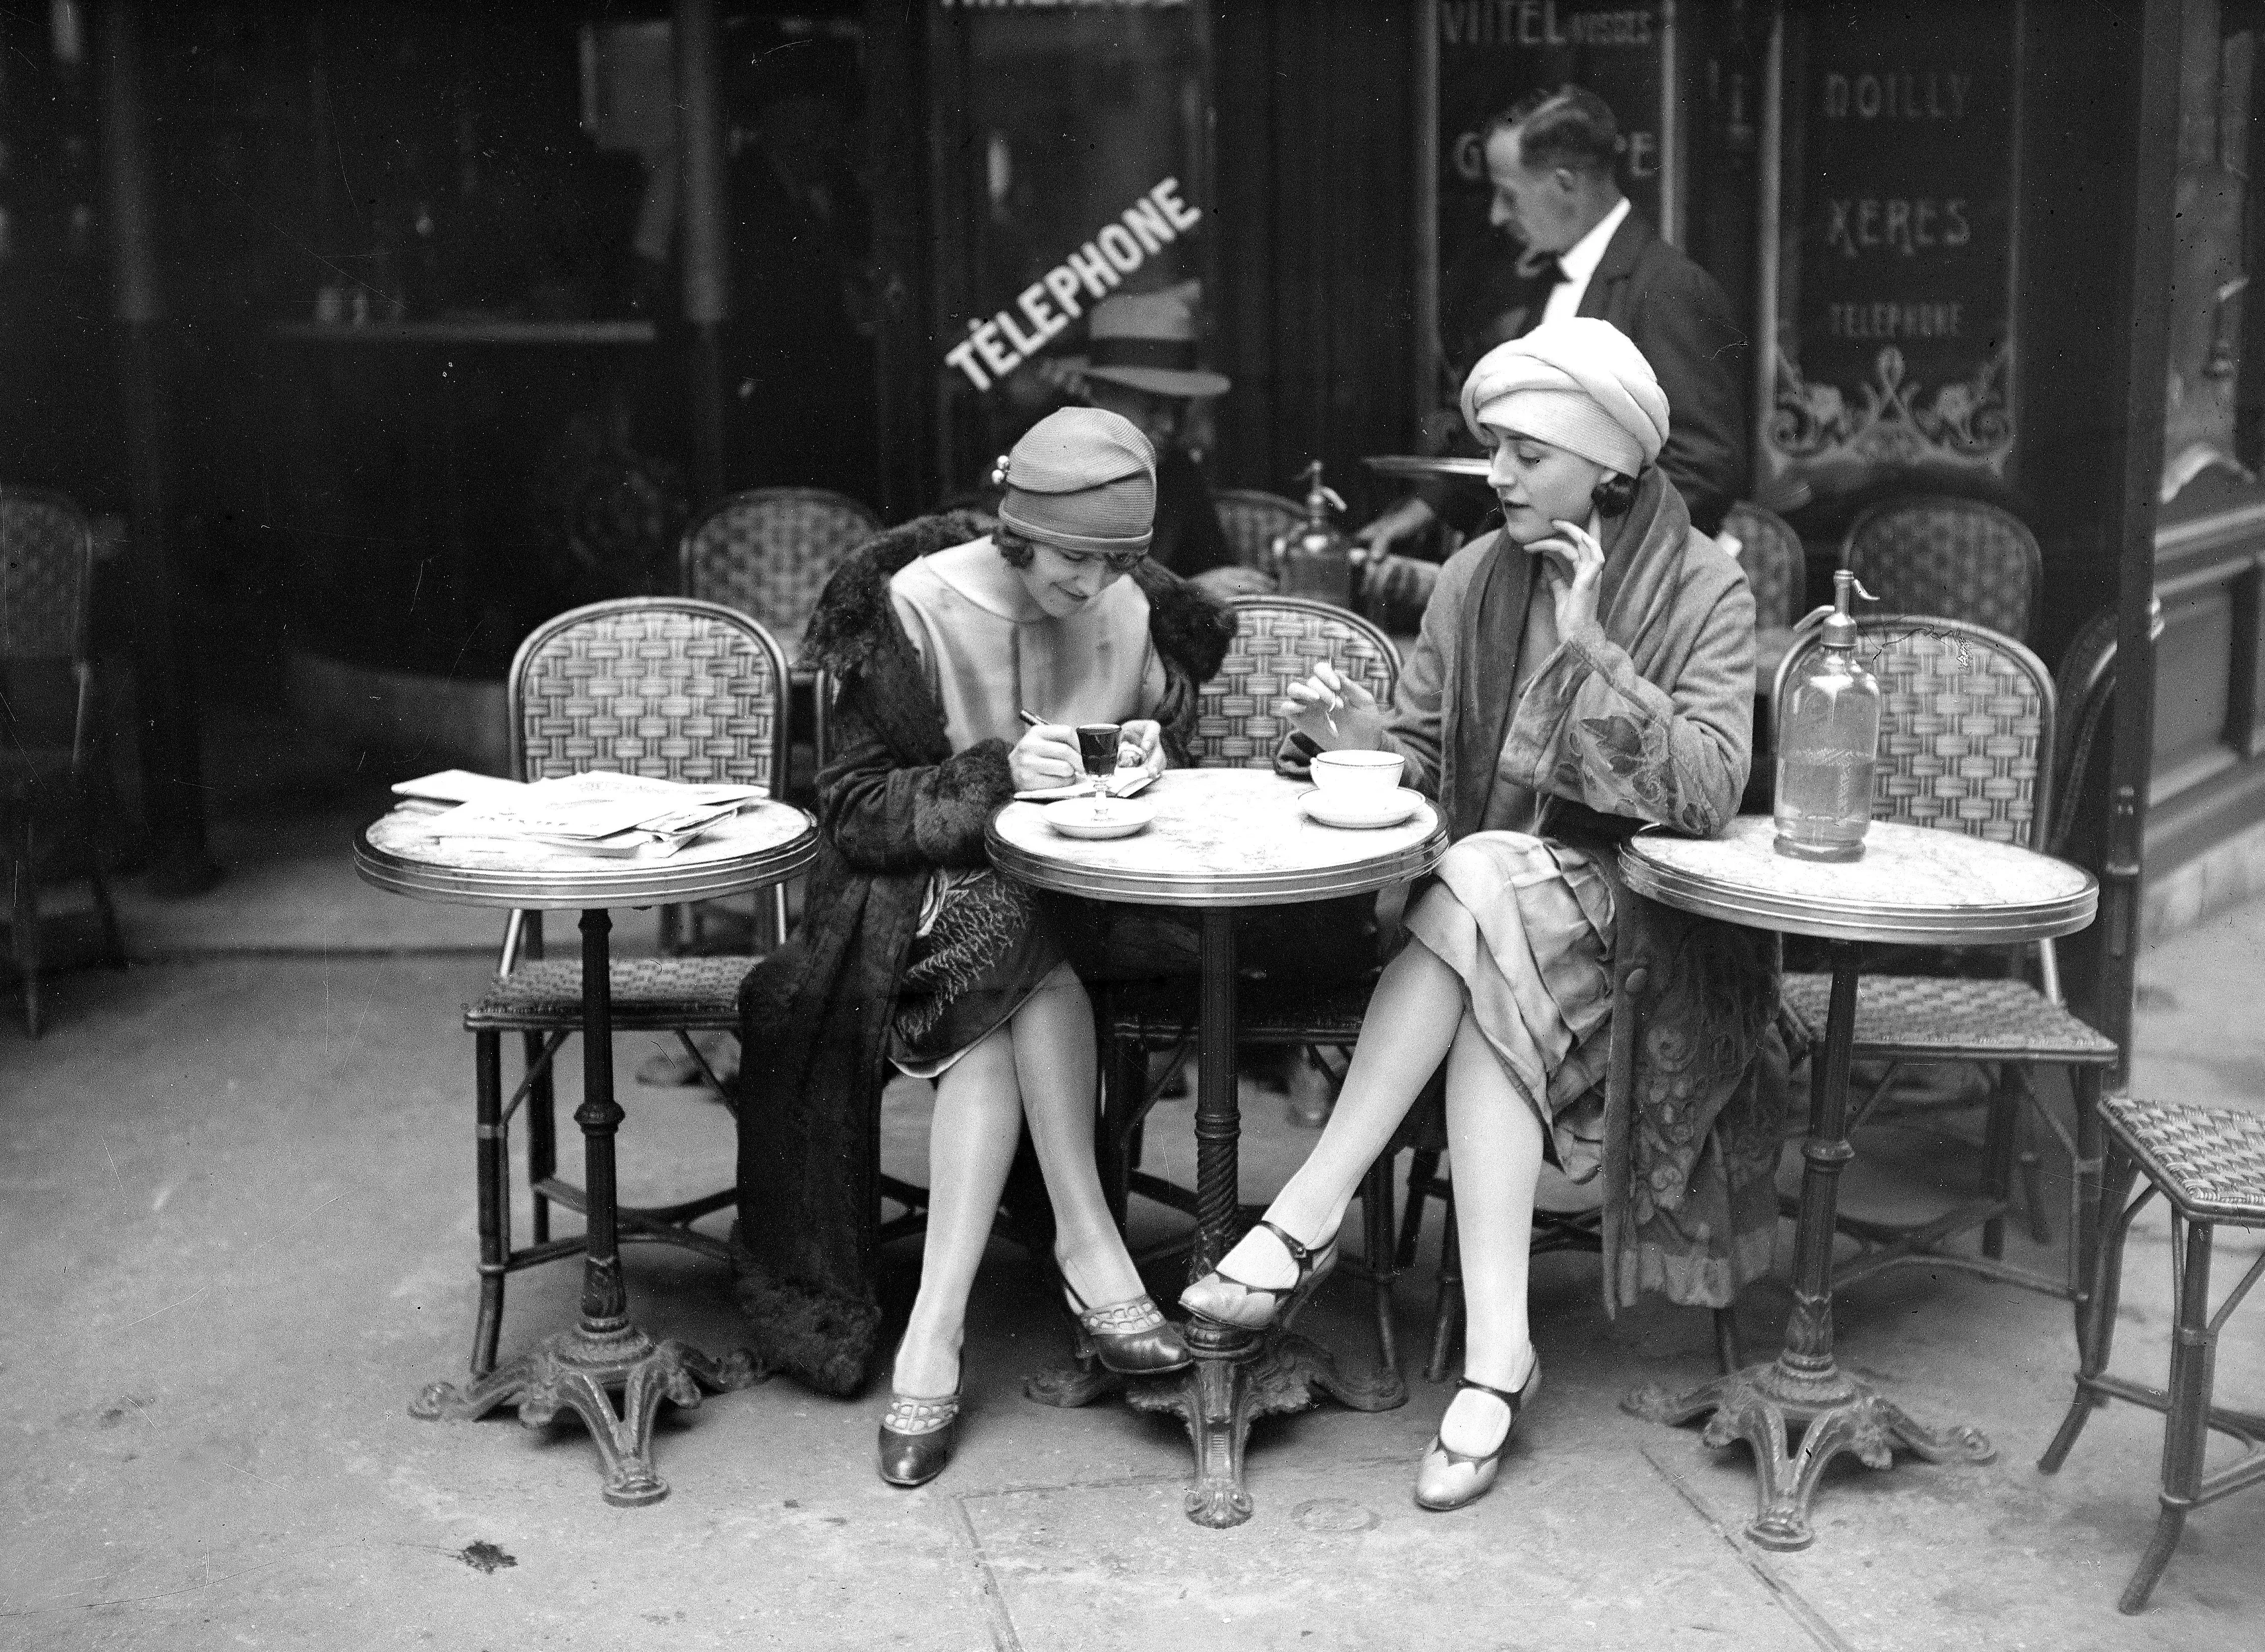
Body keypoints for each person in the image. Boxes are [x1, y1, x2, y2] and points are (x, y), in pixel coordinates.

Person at [1181, 320, 1785, 1512]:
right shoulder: (1471, 578)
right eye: (1493, 449)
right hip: (1497, 923)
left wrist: (1589, 645)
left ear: (1607, 465)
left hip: (1651, 923)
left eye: (1523, 453)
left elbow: (1712, 789)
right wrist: (1359, 742)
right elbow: (1415, 751)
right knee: (1484, 910)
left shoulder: (1709, 586)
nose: (1496, 475)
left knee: (1477, 889)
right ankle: (1499, 1352)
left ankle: (1310, 1210)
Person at [732, 407, 1236, 1487]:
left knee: (1020, 950)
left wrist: (1144, 751)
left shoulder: (1129, 607)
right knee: (1016, 941)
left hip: (1077, 903)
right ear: (1015, 529)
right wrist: (997, 777)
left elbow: (1147, 762)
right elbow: (856, 813)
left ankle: (937, 1329)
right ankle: (1086, 1243)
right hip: (899, 905)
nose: (1092, 586)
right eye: (1072, 558)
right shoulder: (910, 606)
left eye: (1118, 562)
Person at [1359, 85, 1749, 557]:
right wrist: (1428, 506)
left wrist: (1581, 548)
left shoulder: (1668, 289)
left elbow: (1705, 469)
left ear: (1566, 184)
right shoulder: (1547, 278)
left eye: (1508, 194)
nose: (1497, 215)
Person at [1074, 290, 1238, 581]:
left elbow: (1215, 566)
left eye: (1179, 410)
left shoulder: (1177, 471)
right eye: (1152, 407)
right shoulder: (1049, 472)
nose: (1169, 426)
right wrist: (1187, 594)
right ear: (1098, 396)